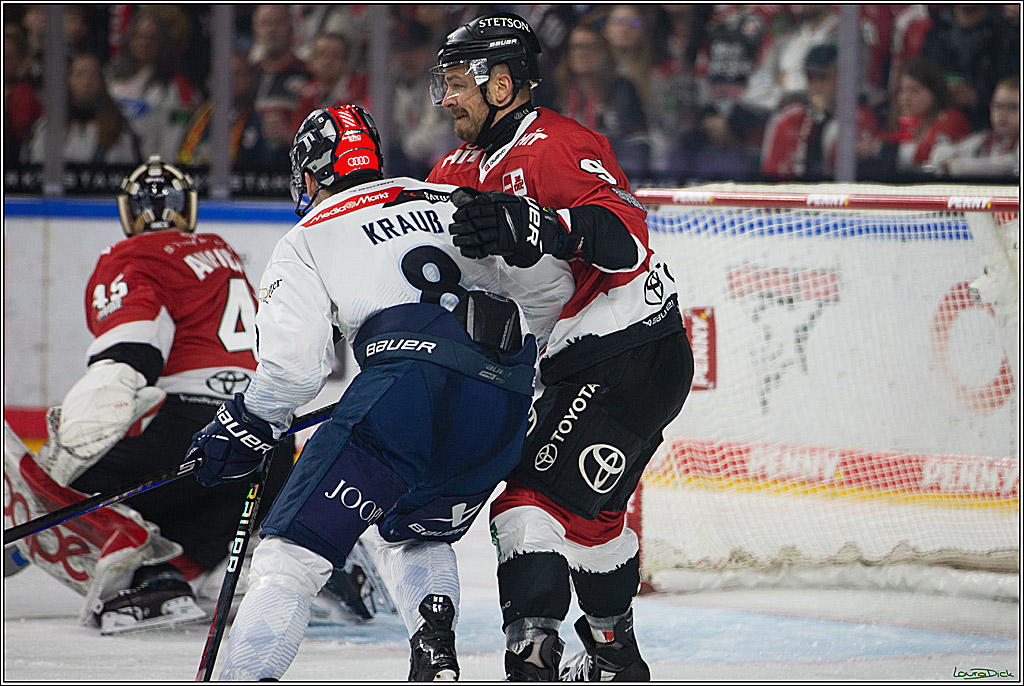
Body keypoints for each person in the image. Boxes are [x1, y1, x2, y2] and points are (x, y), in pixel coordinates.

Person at [188, 105, 543, 680]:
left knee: (287, 557)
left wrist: (248, 421)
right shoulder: (444, 194)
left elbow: (293, 372)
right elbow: (539, 293)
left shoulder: (308, 236)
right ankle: (434, 653)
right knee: (405, 528)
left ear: (311, 173)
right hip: (503, 404)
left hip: (406, 393)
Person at [426, 12, 694, 681]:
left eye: (458, 82)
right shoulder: (453, 167)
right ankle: (613, 653)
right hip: (617, 361)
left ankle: (533, 662)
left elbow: (627, 241)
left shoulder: (558, 143)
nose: (447, 97)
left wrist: (546, 223)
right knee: (595, 518)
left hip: (625, 352)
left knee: (526, 506)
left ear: (503, 84)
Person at [3, 157, 294, 634]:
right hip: (270, 447)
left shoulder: (133, 256)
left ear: (128, 213)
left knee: (57, 491)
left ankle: (120, 535)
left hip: (196, 438)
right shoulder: (222, 251)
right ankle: (168, 575)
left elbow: (128, 363)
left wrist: (58, 474)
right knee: (206, 497)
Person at [759, 44, 881, 180]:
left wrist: (823, 119)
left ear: (841, 79)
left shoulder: (860, 116)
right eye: (810, 77)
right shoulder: (788, 119)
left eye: (822, 77)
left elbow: (838, 163)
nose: (815, 85)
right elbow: (770, 175)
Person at [108, 7, 201, 161]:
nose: (144, 43)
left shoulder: (175, 87)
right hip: (112, 167)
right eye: (139, 36)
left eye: (151, 38)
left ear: (162, 43)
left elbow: (176, 134)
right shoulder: (113, 80)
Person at [25, 52, 140, 165]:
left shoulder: (118, 126)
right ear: (68, 80)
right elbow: (35, 164)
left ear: (101, 81)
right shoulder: (47, 125)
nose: (87, 81)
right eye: (80, 74)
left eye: (93, 75)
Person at [930, 74, 1019, 179]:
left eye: (1013, 107)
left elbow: (1010, 165)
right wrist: (944, 159)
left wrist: (958, 166)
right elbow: (943, 154)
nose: (1003, 113)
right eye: (998, 106)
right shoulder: (983, 139)